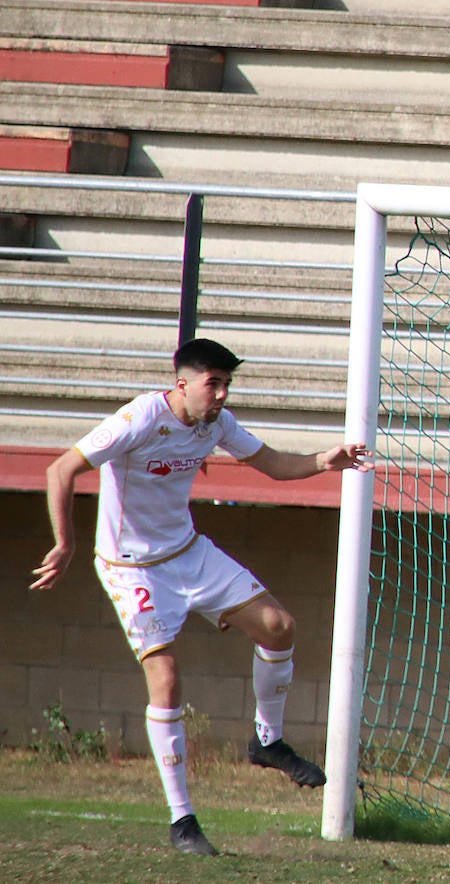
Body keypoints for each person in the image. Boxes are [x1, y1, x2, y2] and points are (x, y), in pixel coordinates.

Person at [29, 338, 373, 857]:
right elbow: (61, 470)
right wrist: (66, 542)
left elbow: (275, 464)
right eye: (213, 383)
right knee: (165, 679)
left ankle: (267, 741)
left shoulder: (216, 424)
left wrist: (328, 460)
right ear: (182, 383)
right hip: (133, 570)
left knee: (279, 626)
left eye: (227, 384)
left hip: (188, 553)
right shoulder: (140, 417)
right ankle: (182, 821)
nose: (221, 393)